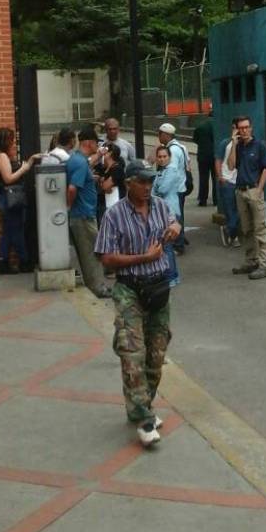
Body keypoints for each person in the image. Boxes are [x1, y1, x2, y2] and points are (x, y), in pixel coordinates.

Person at [94, 159, 181, 448]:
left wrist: (175, 229)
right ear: (128, 183)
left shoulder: (159, 206)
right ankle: (144, 418)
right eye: (142, 181)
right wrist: (142, 258)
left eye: (150, 181)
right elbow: (106, 258)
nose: (147, 186)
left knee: (155, 356)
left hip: (158, 289)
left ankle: (139, 406)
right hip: (129, 290)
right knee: (132, 353)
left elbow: (174, 223)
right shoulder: (114, 215)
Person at [65, 125, 112, 298]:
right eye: (95, 143)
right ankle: (97, 287)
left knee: (90, 251)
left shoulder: (78, 160)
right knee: (92, 252)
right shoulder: (79, 163)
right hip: (83, 214)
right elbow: (72, 188)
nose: (97, 147)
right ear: (89, 143)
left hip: (83, 213)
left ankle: (95, 285)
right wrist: (69, 206)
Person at [0, 127, 41, 274]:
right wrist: (24, 169)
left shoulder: (1, 155)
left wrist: (29, 161)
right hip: (9, 198)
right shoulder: (2, 157)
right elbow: (8, 178)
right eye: (11, 140)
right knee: (16, 230)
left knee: (9, 230)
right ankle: (24, 261)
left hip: (5, 197)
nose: (13, 143)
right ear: (5, 141)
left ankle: (3, 261)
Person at [228, 116, 266, 280]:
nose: (244, 130)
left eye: (246, 127)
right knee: (247, 229)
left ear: (251, 128)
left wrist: (259, 190)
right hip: (240, 191)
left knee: (261, 229)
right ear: (237, 130)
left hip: (254, 190)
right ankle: (251, 260)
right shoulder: (238, 147)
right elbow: (231, 166)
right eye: (241, 128)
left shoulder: (259, 146)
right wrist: (233, 143)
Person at [157, 122, 191, 247]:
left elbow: (170, 171)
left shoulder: (171, 150)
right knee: (178, 214)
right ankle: (181, 239)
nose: (159, 137)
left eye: (160, 134)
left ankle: (178, 244)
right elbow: (188, 165)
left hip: (174, 190)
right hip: (181, 187)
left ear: (166, 135)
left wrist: (162, 188)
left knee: (175, 217)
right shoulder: (182, 147)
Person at [215, 119, 240, 247]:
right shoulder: (225, 143)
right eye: (236, 128)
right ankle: (233, 235)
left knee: (239, 211)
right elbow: (220, 161)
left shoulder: (247, 144)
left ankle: (230, 230)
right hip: (227, 180)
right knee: (230, 210)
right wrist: (221, 177)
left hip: (240, 181)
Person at [94, 143, 126, 224]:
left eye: (105, 151)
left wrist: (100, 181)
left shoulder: (117, 169)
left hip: (114, 207)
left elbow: (105, 186)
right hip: (103, 205)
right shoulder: (104, 169)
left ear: (110, 153)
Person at [193, 112, 216, 207]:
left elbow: (195, 139)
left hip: (202, 155)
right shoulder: (217, 125)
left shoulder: (200, 126)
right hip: (215, 155)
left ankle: (203, 200)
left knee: (203, 178)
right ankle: (216, 200)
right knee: (216, 178)